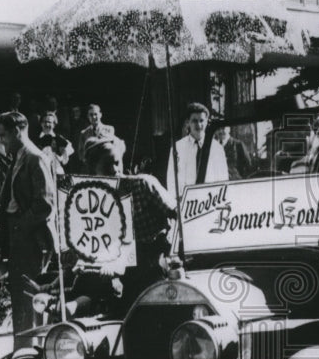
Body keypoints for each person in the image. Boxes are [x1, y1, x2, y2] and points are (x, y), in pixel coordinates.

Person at [82, 136, 177, 304]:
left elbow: (177, 214)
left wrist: (170, 252)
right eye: (107, 165)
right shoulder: (94, 201)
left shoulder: (143, 184)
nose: (114, 170)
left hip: (155, 257)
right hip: (125, 263)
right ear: (93, 170)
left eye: (117, 163)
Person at [0, 111, 58, 349]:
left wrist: (21, 226)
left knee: (29, 295)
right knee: (20, 295)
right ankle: (23, 351)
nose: (1, 141)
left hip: (31, 238)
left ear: (17, 132)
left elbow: (44, 204)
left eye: (4, 135)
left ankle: (28, 353)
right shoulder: (19, 156)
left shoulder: (34, 157)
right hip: (17, 235)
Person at [166, 103, 229, 197]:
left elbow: (223, 178)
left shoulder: (217, 149)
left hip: (210, 202)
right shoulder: (177, 148)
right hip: (186, 204)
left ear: (207, 121)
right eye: (195, 121)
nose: (199, 125)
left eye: (201, 120)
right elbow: (171, 180)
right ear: (188, 122)